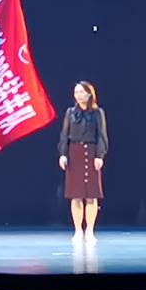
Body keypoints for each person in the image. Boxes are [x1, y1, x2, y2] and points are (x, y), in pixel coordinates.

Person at [58, 81, 108, 244]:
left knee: (92, 194)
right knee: (76, 194)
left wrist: (100, 155)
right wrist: (63, 154)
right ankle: (78, 230)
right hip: (74, 153)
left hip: (91, 152)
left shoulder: (97, 113)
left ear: (89, 94)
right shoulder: (70, 112)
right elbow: (64, 135)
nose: (78, 95)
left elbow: (101, 135)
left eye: (81, 92)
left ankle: (90, 230)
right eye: (76, 92)